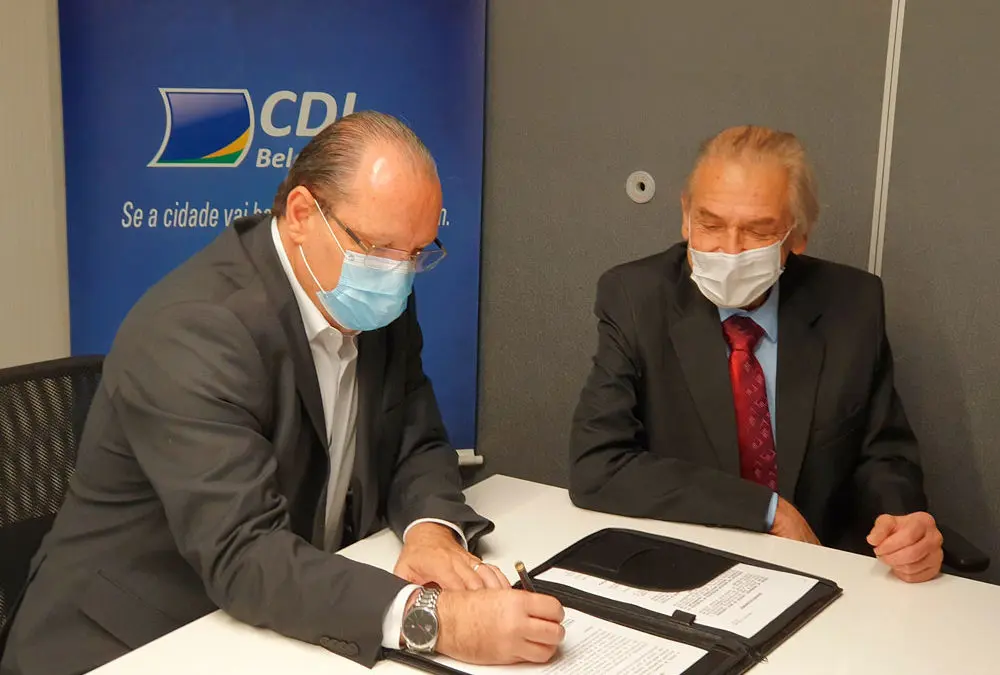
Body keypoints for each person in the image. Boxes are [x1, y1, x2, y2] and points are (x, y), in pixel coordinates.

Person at [0, 111, 565, 675]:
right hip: (129, 641)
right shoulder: (194, 331)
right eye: (380, 248)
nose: (398, 275)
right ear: (301, 214)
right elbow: (245, 553)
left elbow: (415, 442)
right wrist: (438, 619)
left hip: (268, 624)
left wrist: (432, 531)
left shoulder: (372, 294)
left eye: (417, 253)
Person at [569, 125, 944, 584]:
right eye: (710, 224)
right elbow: (598, 465)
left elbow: (882, 453)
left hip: (824, 573)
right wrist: (766, 510)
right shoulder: (635, 298)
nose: (729, 250)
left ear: (797, 236)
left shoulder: (852, 304)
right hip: (690, 567)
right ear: (685, 216)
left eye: (757, 231)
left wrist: (903, 525)